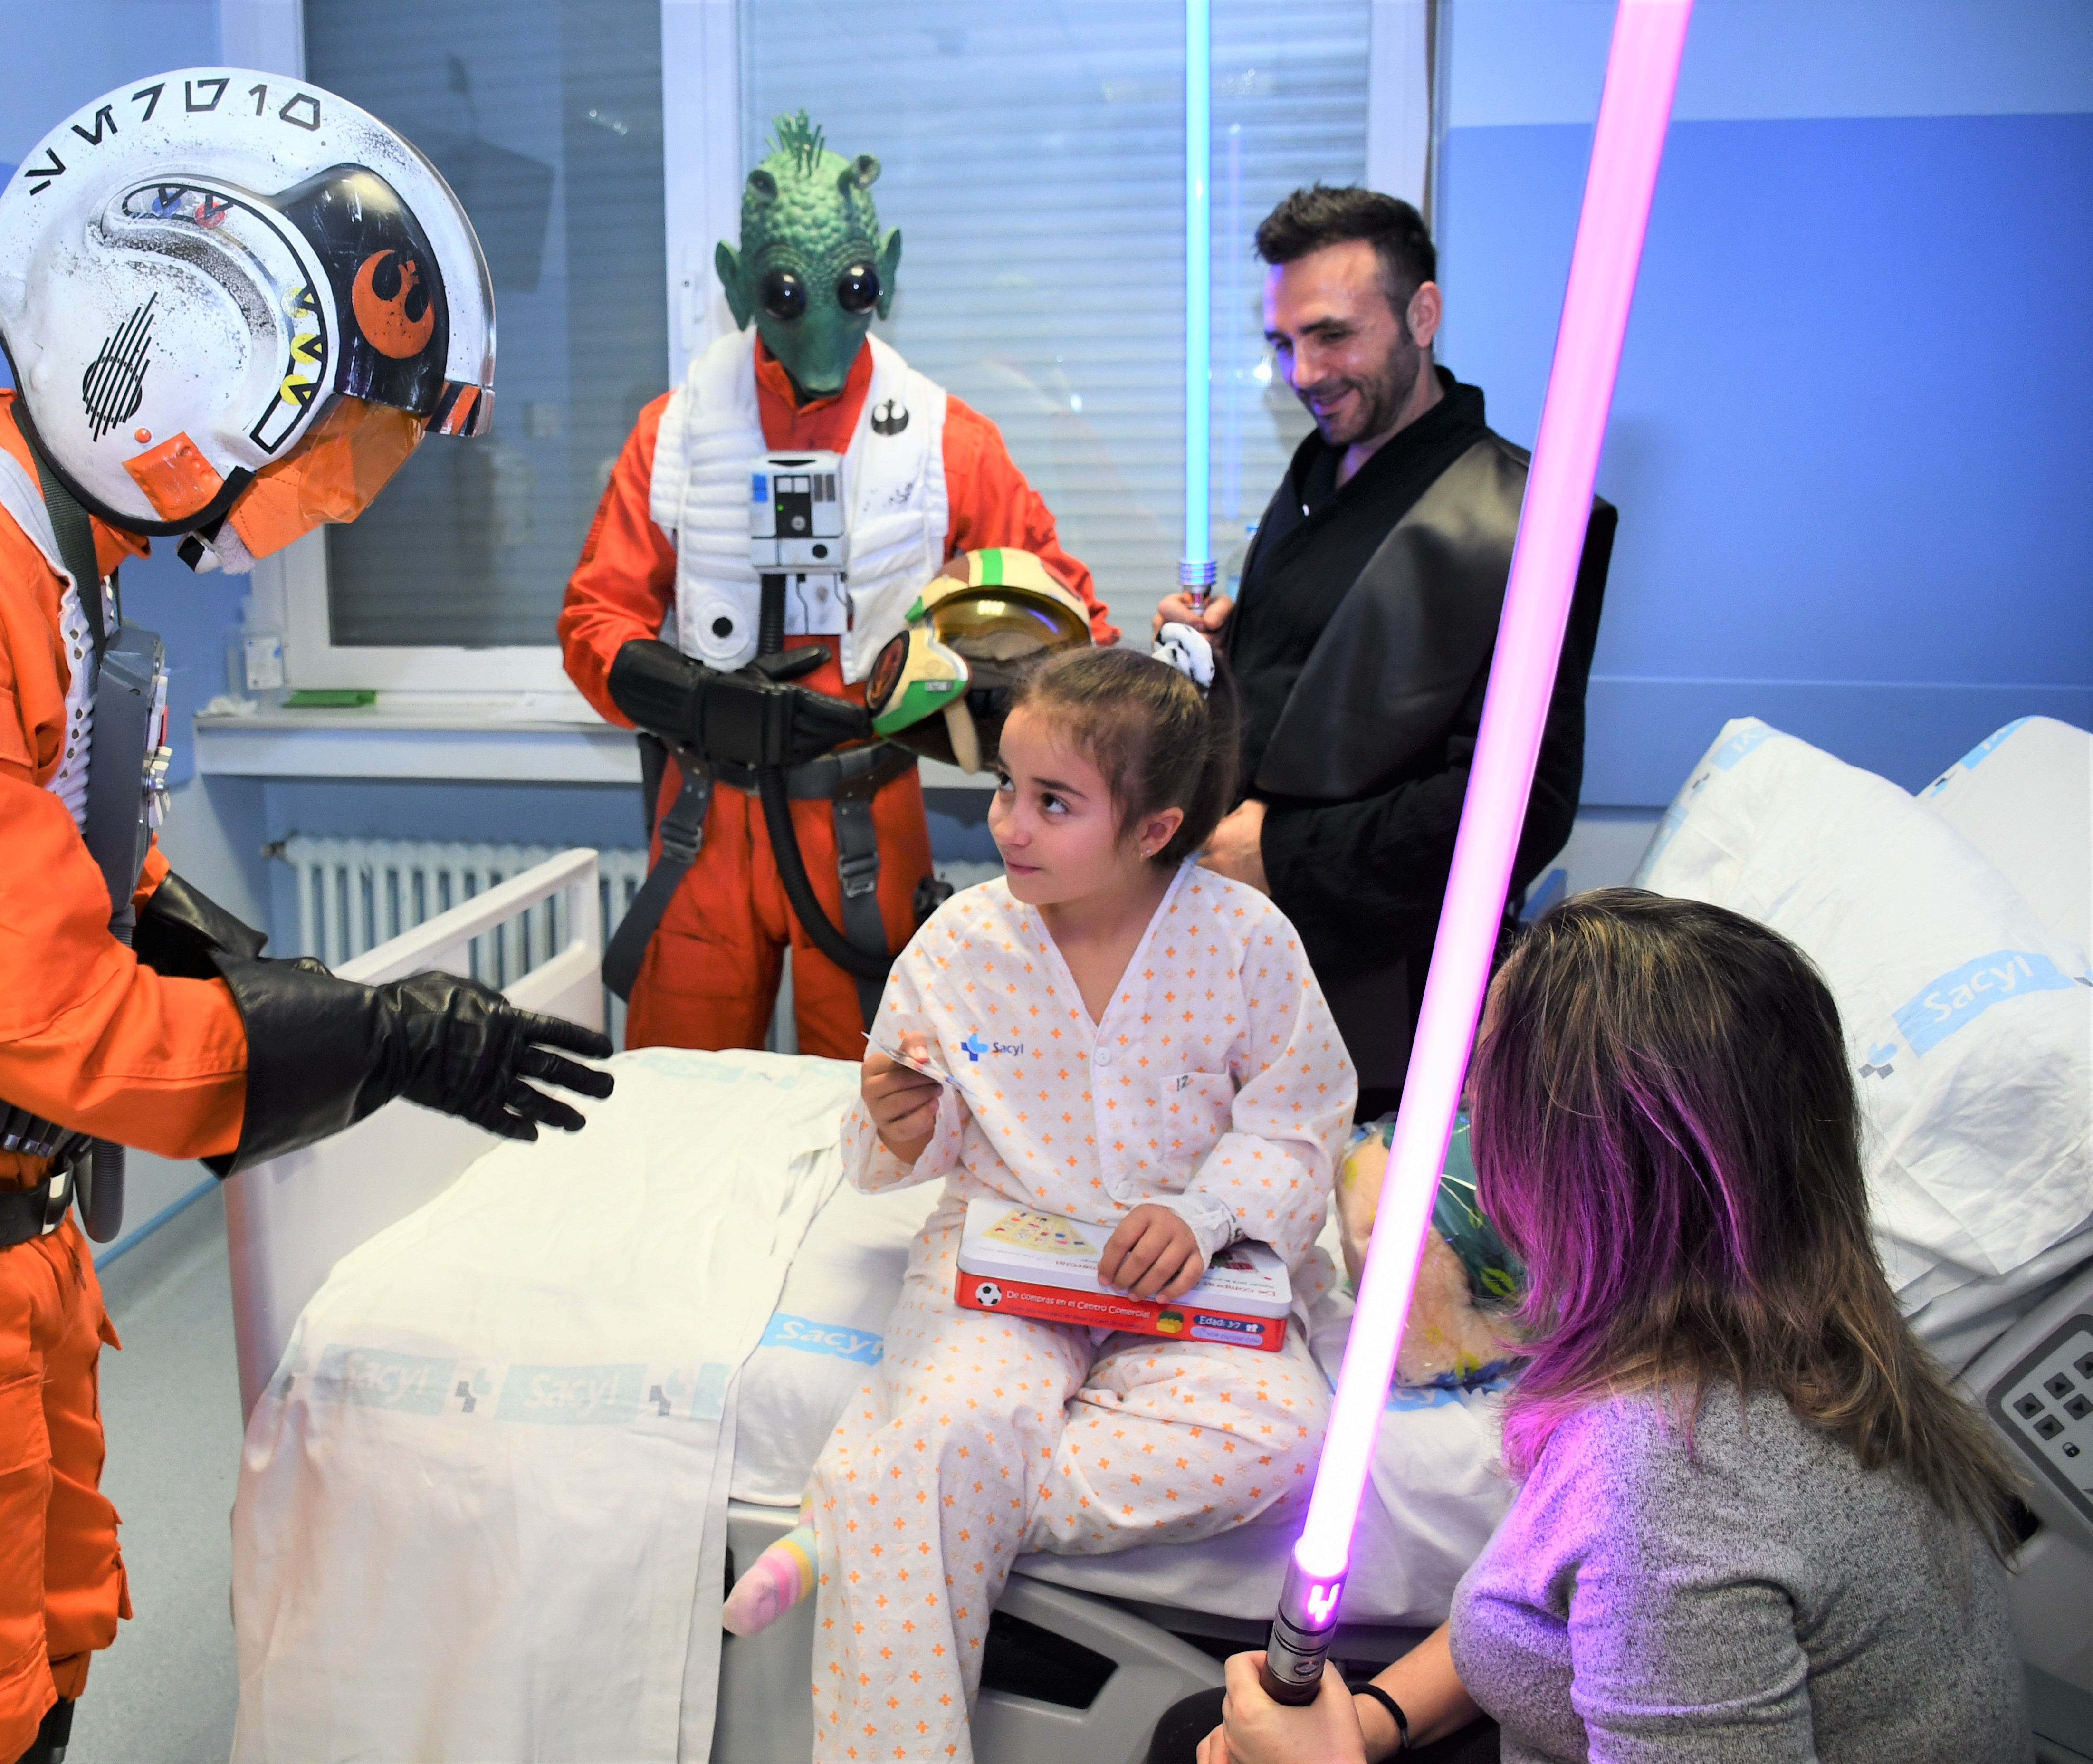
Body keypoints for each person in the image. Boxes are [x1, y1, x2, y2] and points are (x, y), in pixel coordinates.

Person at [0, 73, 614, 1764]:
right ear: (189, 350)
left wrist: (274, 985)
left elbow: (88, 884)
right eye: (345, 439)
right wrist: (380, 1040)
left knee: (37, 1655)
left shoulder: (52, 552)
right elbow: (48, 1007)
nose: (345, 494)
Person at [1166, 891, 2031, 1764]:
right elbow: (1563, 1599)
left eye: (1483, 1091)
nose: (1461, 1125)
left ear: (1570, 1167)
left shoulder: (1668, 1477)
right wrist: (1381, 1716)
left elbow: (1645, 1556)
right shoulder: (1818, 1340)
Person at [719, 642, 1356, 1762]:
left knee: (1286, 1438)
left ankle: (872, 1510)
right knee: (950, 1420)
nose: (1009, 822)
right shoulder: (964, 944)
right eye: (1007, 786)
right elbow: (892, 1147)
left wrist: (1205, 1212)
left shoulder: (1247, 942)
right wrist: (896, 1122)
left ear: (1153, 828)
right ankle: (914, 1504)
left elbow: (1299, 1119)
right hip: (1001, 1272)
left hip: (1183, 1276)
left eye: (1053, 801)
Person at [561, 110, 1113, 1060]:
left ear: (883, 272)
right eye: (786, 292)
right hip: (707, 816)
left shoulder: (945, 443)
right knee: (679, 1096)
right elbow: (594, 620)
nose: (819, 319)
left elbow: (1062, 620)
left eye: (851, 287)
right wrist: (700, 702)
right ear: (739, 281)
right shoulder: (676, 437)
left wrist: (954, 698)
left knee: (878, 1102)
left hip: (866, 809)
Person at [1156, 186, 1616, 1117]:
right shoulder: (1318, 473)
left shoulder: (1530, 520)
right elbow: (1326, 680)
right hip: (1251, 972)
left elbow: (1522, 806)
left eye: (1332, 335)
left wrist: (1281, 854)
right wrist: (1222, 654)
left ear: (1423, 314)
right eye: (1283, 343)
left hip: (1392, 1008)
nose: (1303, 372)